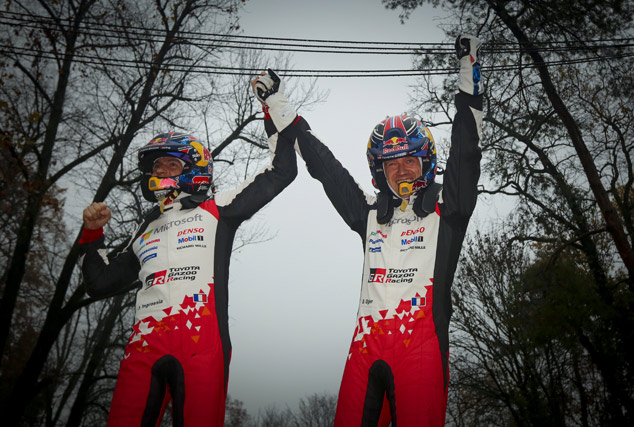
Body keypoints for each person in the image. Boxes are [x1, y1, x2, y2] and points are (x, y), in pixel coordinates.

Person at [253, 35, 484, 426]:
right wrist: (276, 103)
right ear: (380, 171)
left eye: (409, 159)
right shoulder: (371, 212)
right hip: (364, 351)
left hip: (421, 352)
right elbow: (326, 168)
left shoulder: (450, 206)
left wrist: (468, 71)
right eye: (390, 164)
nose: (401, 169)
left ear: (425, 162)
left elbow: (466, 148)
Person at [79, 81, 297, 426]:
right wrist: (91, 234)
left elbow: (283, 170)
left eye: (171, 165)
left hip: (201, 346)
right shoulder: (144, 228)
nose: (160, 172)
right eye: (156, 167)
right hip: (143, 348)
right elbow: (99, 283)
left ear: (194, 170)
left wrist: (271, 105)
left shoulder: (219, 209)